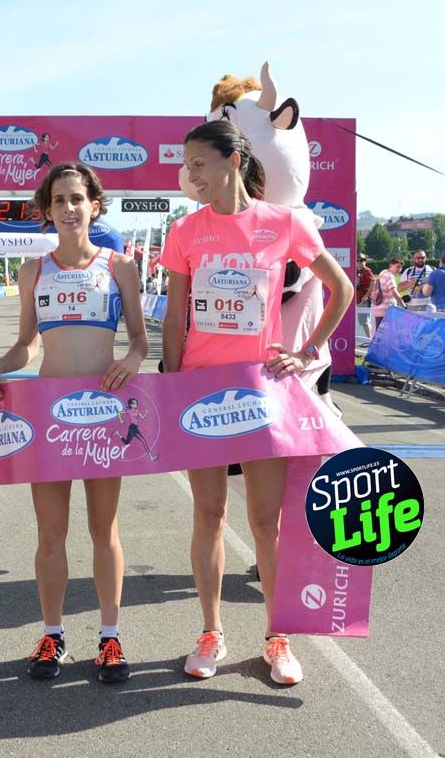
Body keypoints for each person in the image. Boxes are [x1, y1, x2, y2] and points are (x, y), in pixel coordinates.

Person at [159, 120, 353, 686]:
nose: (190, 174)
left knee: (266, 522)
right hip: (198, 389)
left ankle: (277, 637)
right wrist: (172, 380)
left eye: (198, 163)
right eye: (187, 164)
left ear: (232, 160)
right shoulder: (186, 231)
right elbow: (175, 316)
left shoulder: (283, 222)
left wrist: (306, 351)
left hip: (260, 390)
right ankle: (211, 631)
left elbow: (341, 289)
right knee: (209, 516)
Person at [0, 162, 146, 685]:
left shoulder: (120, 266)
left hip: (103, 414)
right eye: (58, 200)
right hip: (51, 418)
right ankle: (52, 634)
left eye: (77, 198)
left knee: (104, 530)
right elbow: (27, 344)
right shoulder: (33, 270)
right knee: (51, 535)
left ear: (95, 204)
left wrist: (134, 360)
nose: (69, 208)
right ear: (46, 210)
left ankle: (110, 636)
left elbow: (139, 338)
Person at [371, 257, 404, 333]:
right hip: (387, 311)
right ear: (391, 265)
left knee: (380, 335)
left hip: (378, 309)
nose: (399, 269)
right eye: (398, 266)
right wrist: (403, 305)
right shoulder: (390, 276)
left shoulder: (383, 272)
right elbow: (394, 292)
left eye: (401, 267)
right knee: (388, 335)